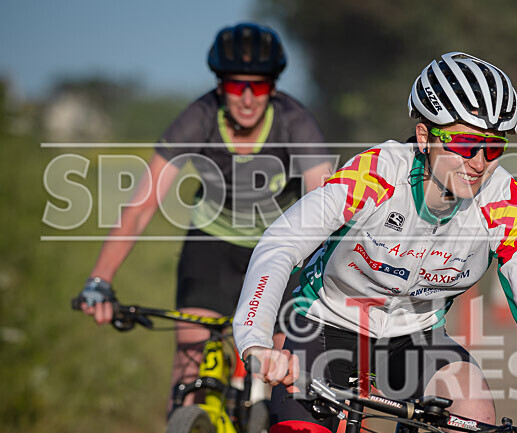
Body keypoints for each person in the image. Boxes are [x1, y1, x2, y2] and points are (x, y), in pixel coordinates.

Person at [234, 52, 517, 433]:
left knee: (475, 415)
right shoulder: (379, 175)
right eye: (465, 143)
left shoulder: (502, 204)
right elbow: (280, 243)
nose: (479, 162)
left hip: (414, 337)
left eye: (493, 147)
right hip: (321, 326)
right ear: (424, 135)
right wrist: (255, 341)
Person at [77, 23, 333, 406]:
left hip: (281, 251)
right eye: (235, 85)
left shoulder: (294, 122)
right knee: (189, 371)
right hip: (212, 246)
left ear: (273, 88)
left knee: (286, 378)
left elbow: (324, 204)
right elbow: (142, 205)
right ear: (219, 86)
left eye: (258, 86)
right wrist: (100, 279)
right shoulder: (199, 117)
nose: (247, 99)